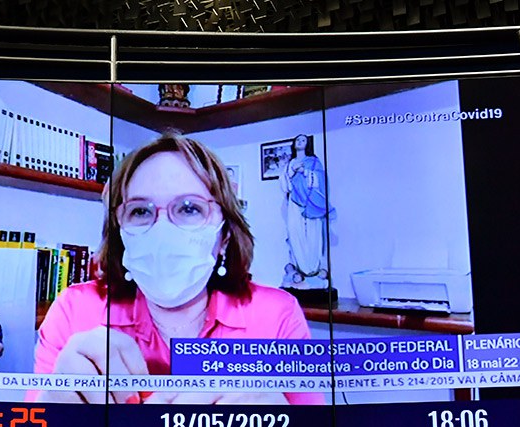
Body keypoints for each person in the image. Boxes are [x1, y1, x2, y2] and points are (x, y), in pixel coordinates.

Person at [29, 130, 325, 405]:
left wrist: (283, 426)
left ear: (224, 236)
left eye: (189, 208)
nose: (162, 231)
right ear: (120, 230)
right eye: (140, 211)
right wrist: (55, 411)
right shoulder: (74, 312)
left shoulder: (277, 315)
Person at [279, 133, 335, 289]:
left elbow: (321, 180)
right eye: (297, 140)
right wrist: (292, 171)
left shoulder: (314, 162)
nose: (300, 142)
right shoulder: (290, 164)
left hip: (310, 202)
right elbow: (284, 184)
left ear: (307, 144)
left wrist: (305, 171)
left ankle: (313, 269)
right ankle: (300, 269)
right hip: (294, 201)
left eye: (303, 140)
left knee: (313, 234)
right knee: (294, 231)